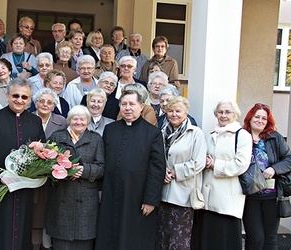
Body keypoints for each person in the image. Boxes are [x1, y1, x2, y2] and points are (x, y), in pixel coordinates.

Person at [0, 77, 45, 250]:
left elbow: (43, 152)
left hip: (24, 189)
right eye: (15, 96)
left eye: (24, 97)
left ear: (29, 99)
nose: (19, 100)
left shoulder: (35, 122)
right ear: (7, 96)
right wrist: (0, 176)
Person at [95, 87, 166, 250]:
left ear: (141, 107)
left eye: (132, 104)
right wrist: (100, 189)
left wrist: (150, 199)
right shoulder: (110, 129)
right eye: (124, 104)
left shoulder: (152, 133)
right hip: (110, 192)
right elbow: (102, 161)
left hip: (138, 196)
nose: (127, 108)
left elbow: (157, 168)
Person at [196, 100, 252, 250]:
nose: (223, 115)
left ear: (235, 115)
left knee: (224, 241)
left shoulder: (242, 135)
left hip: (227, 200)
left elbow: (241, 164)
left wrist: (216, 164)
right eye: (220, 112)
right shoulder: (210, 134)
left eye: (228, 112)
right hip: (208, 199)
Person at [46, 105, 104, 250]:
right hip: (61, 196)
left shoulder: (95, 139)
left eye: (82, 119)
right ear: (69, 120)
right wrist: (62, 170)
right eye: (75, 119)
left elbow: (102, 167)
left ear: (88, 121)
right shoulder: (57, 137)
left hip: (86, 201)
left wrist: (85, 170)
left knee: (83, 243)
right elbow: (47, 164)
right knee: (61, 243)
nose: (79, 122)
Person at [156, 96, 207, 250]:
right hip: (163, 193)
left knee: (179, 241)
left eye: (178, 111)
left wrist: (174, 172)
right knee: (162, 238)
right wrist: (162, 171)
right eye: (170, 111)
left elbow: (198, 163)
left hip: (182, 195)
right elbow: (158, 157)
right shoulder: (162, 131)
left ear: (186, 113)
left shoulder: (195, 133)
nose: (174, 114)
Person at [242, 103, 291, 250]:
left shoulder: (274, 137)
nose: (260, 120)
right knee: (255, 238)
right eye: (257, 116)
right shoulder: (242, 136)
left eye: (264, 118)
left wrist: (274, 169)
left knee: (270, 239)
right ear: (250, 118)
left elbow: (288, 159)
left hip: (272, 196)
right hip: (250, 196)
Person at [31, 88, 67, 249]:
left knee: (49, 213)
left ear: (54, 106)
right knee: (34, 215)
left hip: (53, 178)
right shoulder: (28, 119)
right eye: (41, 101)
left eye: (49, 102)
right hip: (31, 177)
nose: (45, 105)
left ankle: (47, 246)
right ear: (35, 103)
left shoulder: (62, 121)